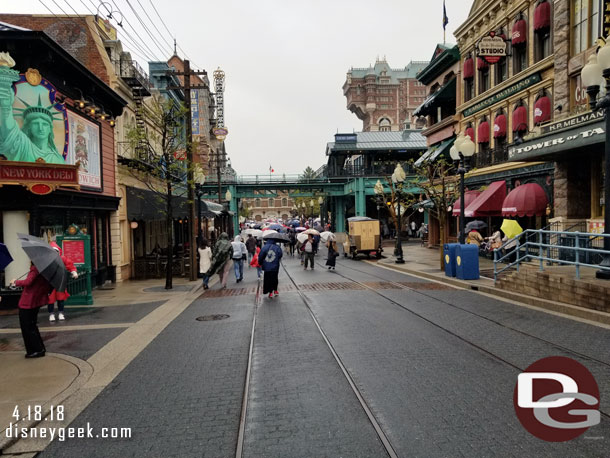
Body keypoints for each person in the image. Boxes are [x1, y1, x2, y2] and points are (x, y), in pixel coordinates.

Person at [0, 81, 66, 164]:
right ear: (29, 128)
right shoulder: (23, 145)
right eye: (35, 124)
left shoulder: (58, 159)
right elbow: (9, 130)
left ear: (50, 129)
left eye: (45, 124)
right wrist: (6, 106)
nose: (40, 128)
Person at [10, 263, 53, 358]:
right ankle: (40, 348)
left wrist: (15, 282)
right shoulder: (45, 269)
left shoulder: (35, 269)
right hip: (36, 301)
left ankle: (35, 350)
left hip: (28, 302)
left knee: (27, 327)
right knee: (32, 326)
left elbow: (28, 282)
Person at [47, 242, 78, 322]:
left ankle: (61, 313)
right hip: (50, 283)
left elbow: (70, 265)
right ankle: (51, 314)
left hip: (60, 281)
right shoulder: (48, 260)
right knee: (50, 300)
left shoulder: (63, 259)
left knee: (60, 298)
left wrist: (74, 272)